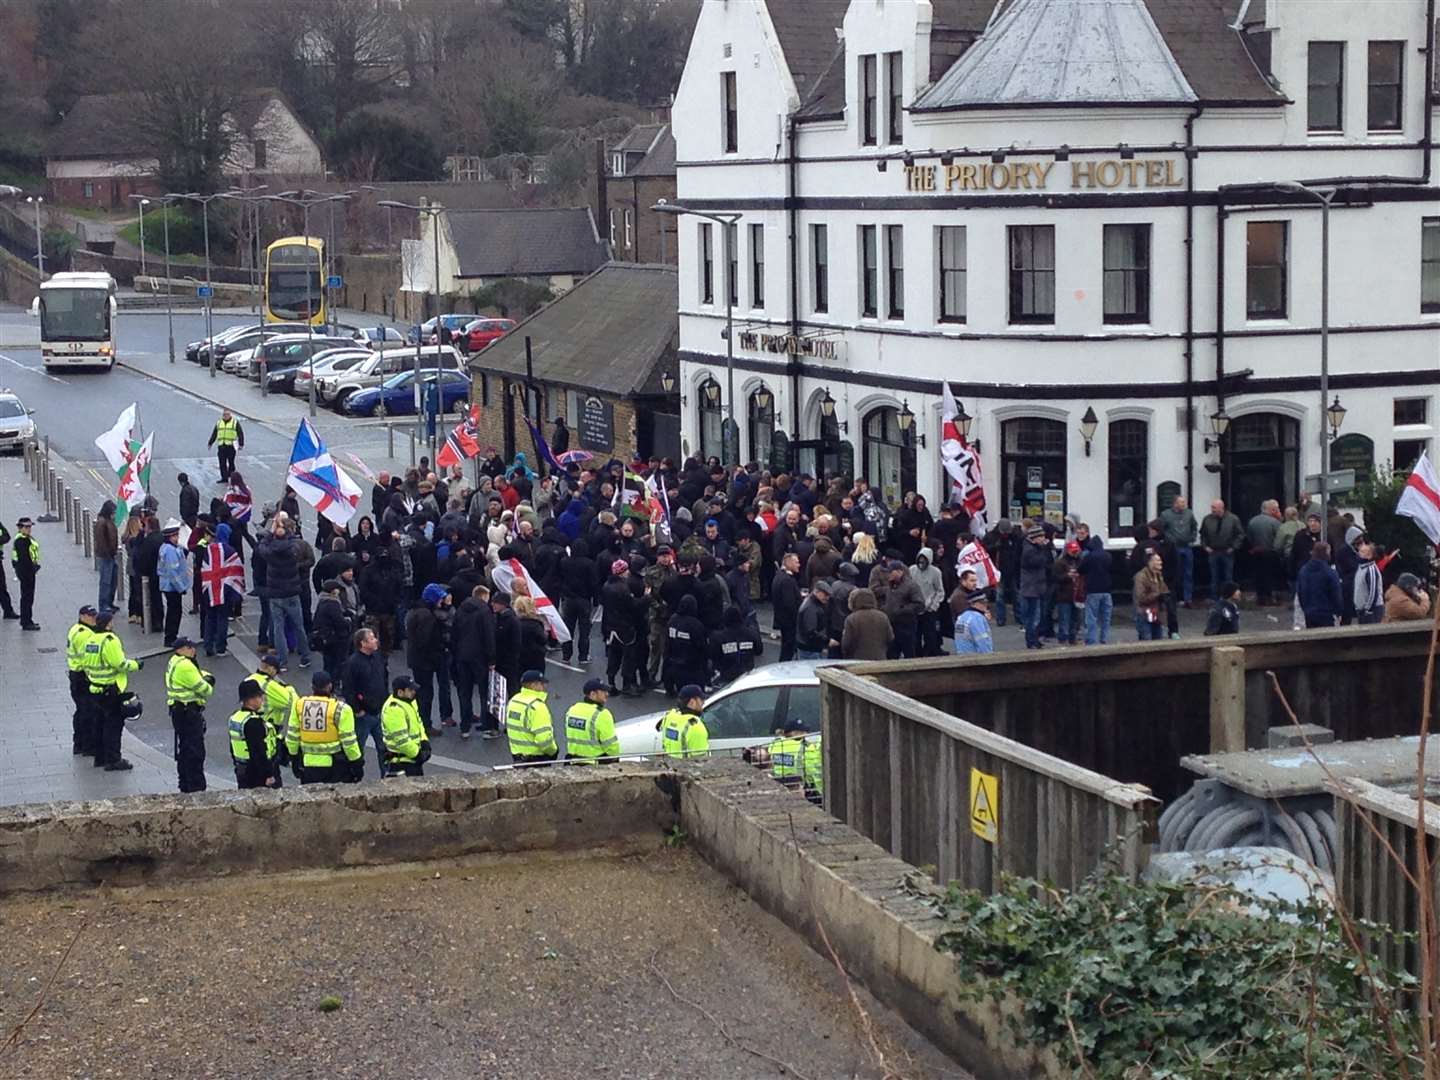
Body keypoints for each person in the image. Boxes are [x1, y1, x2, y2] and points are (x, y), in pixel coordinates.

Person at [82, 609, 141, 771]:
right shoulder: (109, 640)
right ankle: (113, 760)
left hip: (95, 688)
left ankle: (100, 757)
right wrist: (136, 665)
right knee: (113, 726)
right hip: (111, 690)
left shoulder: (91, 640)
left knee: (99, 724)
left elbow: (85, 664)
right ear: (108, 623)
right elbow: (120, 664)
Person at [284, 670, 362, 784]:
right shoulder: (341, 709)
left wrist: (294, 759)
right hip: (335, 766)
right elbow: (349, 742)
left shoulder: (299, 705)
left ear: (312, 686)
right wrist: (357, 763)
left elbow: (292, 736)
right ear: (330, 686)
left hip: (308, 764)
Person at [257, 512, 312, 672]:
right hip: (292, 592)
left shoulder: (271, 552)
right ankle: (305, 656)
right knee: (299, 626)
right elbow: (292, 540)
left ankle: (282, 660)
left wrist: (270, 531)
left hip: (275, 593)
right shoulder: (293, 548)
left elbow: (261, 547)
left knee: (278, 629)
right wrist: (283, 530)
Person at [165, 636, 215, 793]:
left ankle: (185, 783)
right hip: (189, 713)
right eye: (189, 647)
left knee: (185, 748)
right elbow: (205, 689)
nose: (193, 650)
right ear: (181, 650)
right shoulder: (186, 666)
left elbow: (196, 674)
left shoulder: (175, 661)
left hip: (179, 710)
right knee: (195, 751)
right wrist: (208, 682)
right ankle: (196, 786)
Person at [406, 582, 454, 734]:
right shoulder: (427, 616)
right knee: (425, 693)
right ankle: (425, 725)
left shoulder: (416, 611)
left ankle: (423, 722)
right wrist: (437, 651)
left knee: (422, 692)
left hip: (417, 659)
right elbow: (425, 641)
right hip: (425, 660)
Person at [341, 627, 389, 773]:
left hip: (379, 710)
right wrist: (358, 710)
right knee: (358, 748)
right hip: (364, 715)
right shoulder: (353, 663)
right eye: (372, 638)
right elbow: (348, 689)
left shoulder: (377, 657)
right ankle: (354, 776)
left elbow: (384, 678)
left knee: (384, 749)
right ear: (363, 643)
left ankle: (387, 776)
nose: (376, 641)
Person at [600, 559, 644, 696]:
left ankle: (611, 683)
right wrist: (646, 598)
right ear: (623, 572)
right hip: (624, 627)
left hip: (610, 626)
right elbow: (632, 606)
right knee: (628, 656)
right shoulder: (623, 588)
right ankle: (627, 685)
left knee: (614, 655)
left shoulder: (606, 585)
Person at [229, 679, 280, 789]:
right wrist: (268, 774)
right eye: (259, 696)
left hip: (241, 768)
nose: (262, 700)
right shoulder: (253, 723)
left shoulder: (235, 717)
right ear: (251, 700)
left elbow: (232, 747)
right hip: (255, 773)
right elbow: (258, 751)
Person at [381, 675, 431, 777]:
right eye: (410, 690)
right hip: (401, 762)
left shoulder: (410, 701)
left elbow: (418, 722)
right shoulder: (393, 710)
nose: (414, 692)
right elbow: (402, 740)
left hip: (411, 758)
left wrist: (424, 740)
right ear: (400, 692)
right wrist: (417, 754)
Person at [505, 669, 558, 764]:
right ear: (533, 686)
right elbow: (544, 739)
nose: (544, 687)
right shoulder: (537, 706)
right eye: (541, 684)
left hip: (517, 755)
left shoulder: (514, 700)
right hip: (536, 758)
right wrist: (553, 752)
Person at [66, 605, 98, 756]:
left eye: (94, 616)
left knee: (81, 711)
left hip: (76, 675)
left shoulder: (76, 629)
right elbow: (89, 658)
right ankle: (86, 746)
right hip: (82, 677)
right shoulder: (84, 635)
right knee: (87, 711)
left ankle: (79, 743)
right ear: (82, 617)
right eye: (90, 616)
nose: (94, 619)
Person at [764, 719, 822, 802]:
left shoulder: (775, 745)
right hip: (800, 788)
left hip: (780, 787)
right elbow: (813, 772)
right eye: (802, 732)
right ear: (794, 733)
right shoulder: (805, 748)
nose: (806, 734)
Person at [563, 678, 620, 764]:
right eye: (603, 692)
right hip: (595, 764)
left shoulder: (572, 710)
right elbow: (612, 746)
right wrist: (614, 759)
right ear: (592, 694)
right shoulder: (602, 714)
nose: (607, 694)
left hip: (573, 762)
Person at [1200, 499, 1244, 602]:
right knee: (1214, 576)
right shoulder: (1207, 519)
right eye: (1212, 507)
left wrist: (1234, 547)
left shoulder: (1233, 519)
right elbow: (1203, 534)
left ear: (1221, 507)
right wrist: (1205, 546)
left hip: (1227, 551)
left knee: (1228, 577)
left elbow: (1240, 534)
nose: (1212, 510)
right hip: (1213, 551)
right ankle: (1214, 598)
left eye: (1214, 507)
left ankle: (1229, 597)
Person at [1017, 524, 1053, 650]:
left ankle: (1033, 639)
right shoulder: (1030, 551)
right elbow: (1041, 561)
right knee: (1033, 616)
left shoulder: (1031, 548)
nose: (1043, 538)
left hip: (1035, 586)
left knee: (1034, 616)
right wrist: (1045, 548)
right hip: (1032, 588)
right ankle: (1032, 640)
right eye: (1041, 536)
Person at [1159, 496, 1199, 607]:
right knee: (1175, 573)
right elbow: (1161, 529)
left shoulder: (1189, 514)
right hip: (1174, 548)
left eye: (1184, 502)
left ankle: (1188, 599)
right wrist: (1169, 539)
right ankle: (1174, 597)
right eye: (1181, 503)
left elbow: (1194, 526)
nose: (1183, 505)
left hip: (1187, 547)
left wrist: (1193, 538)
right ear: (1175, 504)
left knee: (1188, 573)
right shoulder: (1166, 515)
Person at [711, 604, 763, 685]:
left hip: (727, 677)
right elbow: (759, 650)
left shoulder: (718, 637)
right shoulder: (751, 633)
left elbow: (714, 656)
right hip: (747, 676)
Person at [157, 519, 191, 646]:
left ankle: (171, 635)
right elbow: (173, 572)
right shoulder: (170, 551)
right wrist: (181, 587)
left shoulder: (168, 548)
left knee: (174, 611)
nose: (178, 538)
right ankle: (171, 637)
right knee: (174, 612)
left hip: (169, 586)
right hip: (172, 587)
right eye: (176, 535)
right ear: (170, 537)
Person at [312, 579, 353, 680]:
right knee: (337, 662)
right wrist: (348, 621)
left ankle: (327, 680)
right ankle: (335, 682)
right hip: (334, 638)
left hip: (325, 637)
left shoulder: (322, 601)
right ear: (333, 591)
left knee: (328, 662)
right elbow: (339, 622)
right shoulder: (332, 603)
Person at [1077, 531, 1113, 646]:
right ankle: (1104, 638)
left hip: (1092, 590)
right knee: (1106, 617)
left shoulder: (1089, 557)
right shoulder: (1108, 556)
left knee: (1092, 617)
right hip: (1106, 590)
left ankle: (1091, 640)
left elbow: (1081, 569)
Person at [1296, 542, 1342, 629]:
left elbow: (1300, 592)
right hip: (1327, 614)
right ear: (1326, 554)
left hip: (1309, 613)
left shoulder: (1303, 571)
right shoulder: (1330, 573)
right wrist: (1338, 612)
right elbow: (1336, 595)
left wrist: (1305, 608)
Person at [1245, 500, 1283, 606]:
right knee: (1271, 576)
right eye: (1276, 509)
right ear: (1272, 510)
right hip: (1271, 552)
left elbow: (1249, 537)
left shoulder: (1252, 521)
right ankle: (1270, 597)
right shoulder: (1275, 522)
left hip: (1256, 552)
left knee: (1259, 575)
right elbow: (1279, 538)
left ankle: (1260, 597)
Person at [657, 685, 709, 759]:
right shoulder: (695, 726)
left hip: (669, 766)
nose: (703, 702)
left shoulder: (669, 717)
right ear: (692, 702)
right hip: (687, 768)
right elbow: (701, 759)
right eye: (701, 700)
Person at [841, 587, 893, 660]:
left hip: (858, 660)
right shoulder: (883, 616)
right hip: (880, 659)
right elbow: (890, 638)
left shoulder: (851, 619)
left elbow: (846, 644)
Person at [770, 552, 802, 662]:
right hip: (789, 622)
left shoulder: (779, 576)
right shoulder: (787, 580)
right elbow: (790, 604)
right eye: (796, 562)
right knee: (788, 650)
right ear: (788, 563)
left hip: (783, 620)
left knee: (787, 648)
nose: (799, 565)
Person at [1132, 550, 1169, 641]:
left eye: (1160, 560)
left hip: (1156, 613)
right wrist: (1157, 594)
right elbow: (1140, 597)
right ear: (1150, 562)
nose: (1160, 562)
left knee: (1158, 642)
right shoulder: (1140, 576)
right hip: (1144, 614)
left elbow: (1164, 590)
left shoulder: (1159, 575)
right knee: (1146, 641)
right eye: (1157, 560)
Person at [11, 516, 40, 630]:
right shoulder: (21, 540)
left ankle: (28, 619)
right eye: (26, 527)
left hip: (27, 571)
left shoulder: (25, 538)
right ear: (20, 527)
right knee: (27, 597)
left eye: (30, 526)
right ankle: (26, 622)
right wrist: (32, 569)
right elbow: (24, 559)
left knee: (28, 597)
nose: (29, 529)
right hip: (26, 572)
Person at [795, 579, 832, 660]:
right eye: (825, 594)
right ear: (816, 592)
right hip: (809, 648)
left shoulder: (814, 603)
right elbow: (810, 632)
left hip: (809, 646)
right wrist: (827, 641)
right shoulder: (810, 608)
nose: (827, 598)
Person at [1353, 535, 1386, 625]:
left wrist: (1368, 609)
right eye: (1360, 551)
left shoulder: (1371, 569)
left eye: (1363, 552)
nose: (1359, 553)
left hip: (1372, 610)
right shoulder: (1360, 568)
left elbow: (1373, 592)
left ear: (1369, 556)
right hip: (1361, 609)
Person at [93, 501, 119, 614]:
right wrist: (107, 554)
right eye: (113, 512)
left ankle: (109, 602)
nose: (114, 514)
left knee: (113, 581)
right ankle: (104, 605)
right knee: (105, 582)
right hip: (106, 557)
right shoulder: (102, 522)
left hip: (111, 555)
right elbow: (101, 541)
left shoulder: (109, 521)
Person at [953, 589, 995, 654]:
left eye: (986, 602)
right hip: (976, 658)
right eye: (982, 602)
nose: (985, 605)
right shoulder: (977, 618)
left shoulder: (962, 617)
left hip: (962, 657)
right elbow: (982, 642)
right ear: (973, 604)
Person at [208, 408, 244, 481]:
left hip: (231, 446)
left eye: (227, 414)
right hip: (222, 446)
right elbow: (215, 433)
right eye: (224, 414)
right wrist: (210, 443)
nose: (226, 416)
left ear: (230, 415)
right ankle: (224, 478)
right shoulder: (219, 423)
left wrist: (241, 444)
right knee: (222, 463)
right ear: (223, 415)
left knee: (231, 462)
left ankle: (232, 477)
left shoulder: (235, 422)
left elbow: (240, 433)